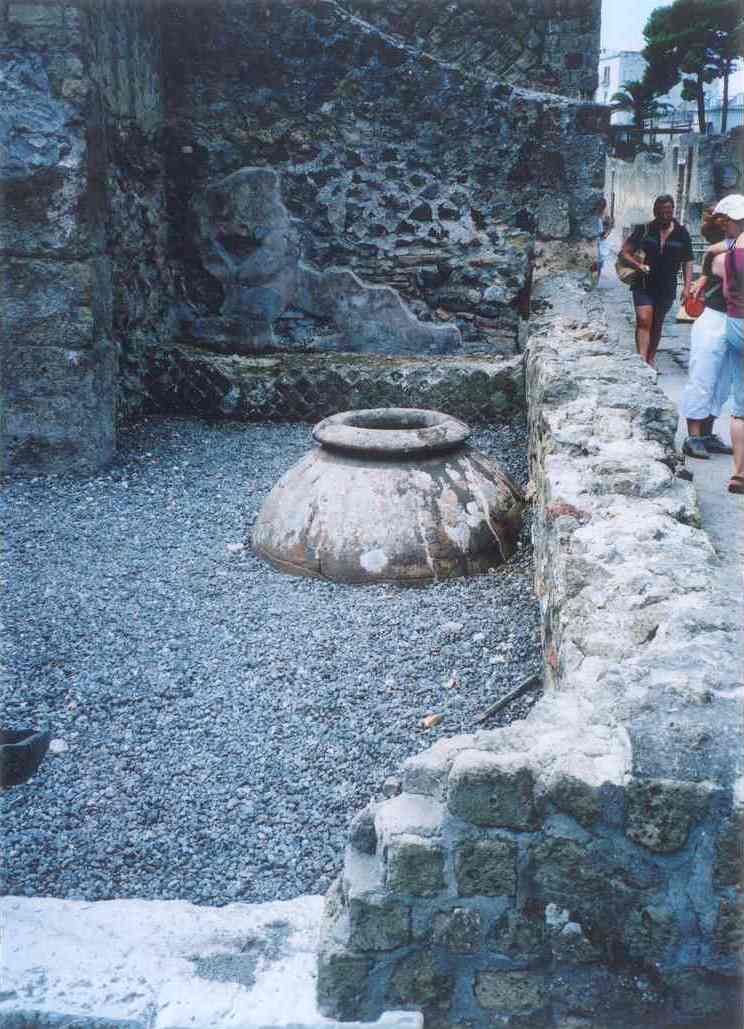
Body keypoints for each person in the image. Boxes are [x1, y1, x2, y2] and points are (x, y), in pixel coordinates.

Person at [679, 209, 736, 459]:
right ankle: (693, 436)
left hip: (735, 321)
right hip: (714, 318)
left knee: (723, 382)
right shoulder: (720, 254)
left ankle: (707, 433)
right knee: (703, 377)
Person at [620, 194, 693, 368]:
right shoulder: (644, 229)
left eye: (668, 211)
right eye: (661, 212)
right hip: (643, 283)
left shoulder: (682, 233)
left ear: (672, 211)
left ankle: (651, 357)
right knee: (643, 319)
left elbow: (688, 261)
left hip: (666, 285)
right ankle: (642, 362)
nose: (665, 215)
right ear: (655, 211)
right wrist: (638, 265)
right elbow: (624, 252)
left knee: (657, 322)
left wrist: (687, 287)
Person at [711, 194, 744, 493]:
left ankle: (738, 473)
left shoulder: (727, 257)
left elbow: (723, 286)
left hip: (735, 323)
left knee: (740, 404)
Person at [593, 197, 613, 283]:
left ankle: (596, 280)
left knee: (599, 263)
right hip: (597, 245)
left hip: (599, 245)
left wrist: (606, 233)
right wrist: (605, 234)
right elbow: (601, 234)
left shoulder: (600, 218)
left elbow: (603, 233)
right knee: (597, 263)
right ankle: (594, 280)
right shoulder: (597, 219)